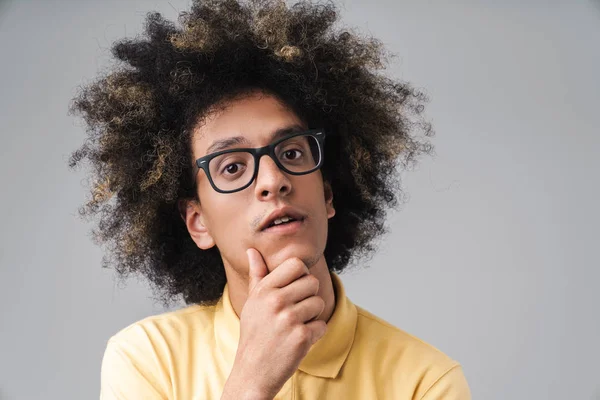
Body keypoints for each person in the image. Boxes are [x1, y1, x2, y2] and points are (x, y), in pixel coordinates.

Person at [68, 0, 471, 398]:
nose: (273, 180)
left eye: (292, 153)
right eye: (232, 167)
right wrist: (251, 381)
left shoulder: (425, 381)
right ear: (198, 223)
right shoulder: (148, 360)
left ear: (327, 195)